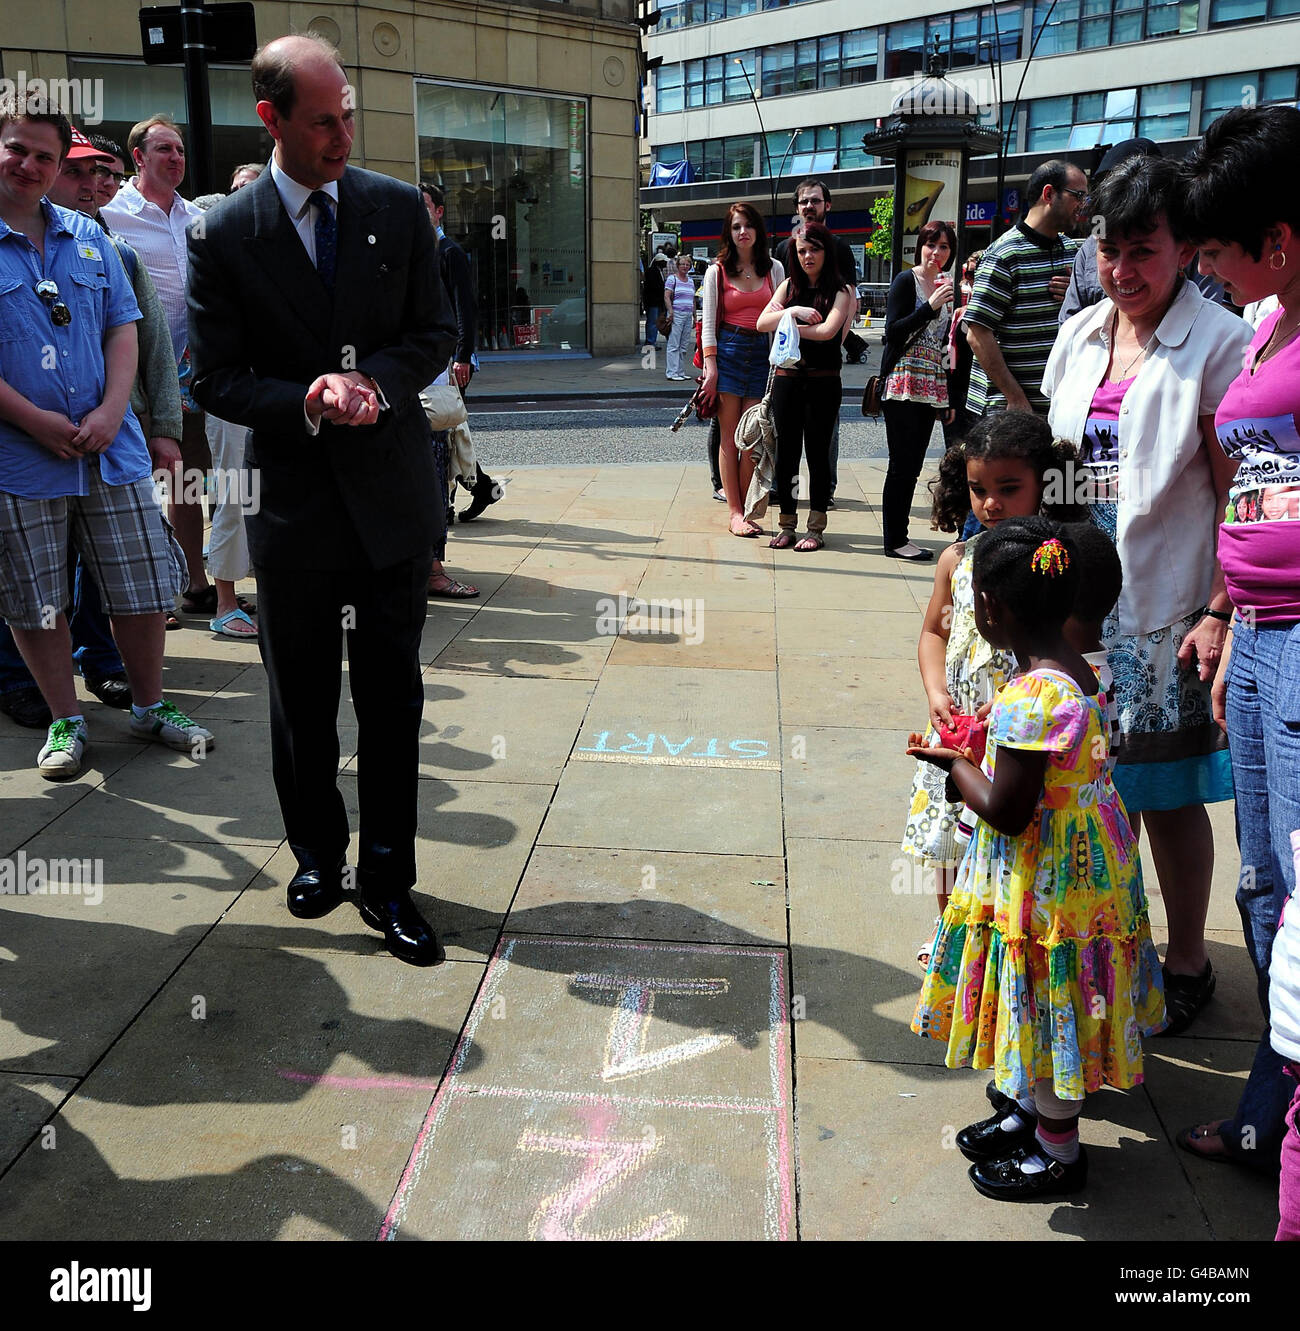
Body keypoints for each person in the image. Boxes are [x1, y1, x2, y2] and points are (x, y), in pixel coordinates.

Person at [187, 33, 456, 966]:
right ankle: (318, 855)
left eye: (349, 114)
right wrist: (305, 395)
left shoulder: (393, 210)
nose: (342, 133)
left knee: (390, 702)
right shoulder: (226, 233)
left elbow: (435, 332)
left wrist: (373, 381)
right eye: (322, 120)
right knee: (300, 702)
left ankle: (387, 878)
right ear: (271, 120)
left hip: (388, 508)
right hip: (294, 512)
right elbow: (211, 377)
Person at [1044, 153, 1253, 1038]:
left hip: (1166, 613)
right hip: (1078, 612)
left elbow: (1238, 494)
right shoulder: (1083, 332)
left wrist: (1218, 609)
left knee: (1166, 795)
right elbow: (1052, 469)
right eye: (1109, 250)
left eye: (1144, 250)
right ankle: (1113, 950)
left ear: (1186, 252)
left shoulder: (1218, 344)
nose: (1124, 270)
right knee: (1091, 795)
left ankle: (1189, 959)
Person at [909, 517, 1165, 1200]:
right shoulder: (1080, 670)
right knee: (1054, 997)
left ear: (993, 609)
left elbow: (1006, 808)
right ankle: (1027, 1109)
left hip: (1046, 881)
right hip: (1088, 867)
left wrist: (954, 762)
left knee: (1047, 997)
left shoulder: (1031, 696)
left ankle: (1057, 1151)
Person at [1166, 103, 1300, 1169]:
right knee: (1262, 881)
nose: (1205, 270)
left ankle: (1281, 1117)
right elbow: (1250, 482)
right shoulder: (1263, 324)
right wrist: (1221, 612)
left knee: (1299, 888)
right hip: (1254, 638)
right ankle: (1273, 1094)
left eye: (1213, 249)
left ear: (1280, 240)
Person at [0, 108, 212, 779]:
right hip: (21, 454)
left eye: (43, 156)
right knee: (35, 595)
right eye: (15, 150)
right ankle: (67, 717)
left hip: (109, 447)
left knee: (143, 584)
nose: (29, 166)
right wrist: (35, 420)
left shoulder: (92, 238)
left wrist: (118, 410)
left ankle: (151, 706)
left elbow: (126, 327)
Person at [904, 412, 1081, 964]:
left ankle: (1007, 945)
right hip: (960, 732)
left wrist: (1008, 704)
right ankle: (951, 942)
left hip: (1019, 737)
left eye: (1009, 489)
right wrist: (937, 694)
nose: (991, 504)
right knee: (948, 842)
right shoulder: (957, 559)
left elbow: (1073, 650)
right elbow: (934, 630)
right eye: (979, 489)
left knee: (1006, 838)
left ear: (1045, 483)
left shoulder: (1054, 563)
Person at [100, 115, 213, 626]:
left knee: (186, 481)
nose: (176, 158)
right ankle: (148, 598)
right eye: (164, 149)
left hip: (190, 374)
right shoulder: (112, 213)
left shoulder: (196, 216)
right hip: (131, 373)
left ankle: (193, 581)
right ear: (139, 156)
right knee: (134, 486)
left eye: (181, 150)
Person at [755, 221, 854, 552]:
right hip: (788, 381)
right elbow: (760, 323)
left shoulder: (841, 290)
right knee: (787, 454)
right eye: (801, 251)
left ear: (827, 251)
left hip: (824, 381)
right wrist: (794, 312)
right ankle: (786, 523)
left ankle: (816, 526)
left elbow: (828, 331)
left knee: (818, 452)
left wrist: (788, 326)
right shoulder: (787, 288)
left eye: (814, 249)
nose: (808, 256)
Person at [963, 160, 1087, 419]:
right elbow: (977, 335)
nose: (1083, 205)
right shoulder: (1004, 255)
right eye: (1078, 196)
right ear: (1049, 194)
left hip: (1057, 408)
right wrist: (1015, 398)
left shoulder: (1073, 252)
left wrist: (1076, 300)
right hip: (1009, 412)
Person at [773, 177, 862, 501]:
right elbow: (775, 305)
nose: (809, 206)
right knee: (786, 434)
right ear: (796, 208)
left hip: (824, 363)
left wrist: (835, 338)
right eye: (804, 202)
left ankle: (825, 492)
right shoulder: (784, 248)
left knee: (823, 434)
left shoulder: (839, 247)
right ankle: (784, 494)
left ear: (828, 205)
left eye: (815, 200)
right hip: (788, 360)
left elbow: (851, 300)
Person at [701, 203, 785, 537]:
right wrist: (710, 368)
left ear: (758, 231)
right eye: (736, 227)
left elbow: (780, 318)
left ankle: (748, 510)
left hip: (761, 355)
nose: (742, 232)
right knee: (728, 438)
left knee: (752, 439)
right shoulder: (716, 271)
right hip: (729, 353)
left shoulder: (774, 269)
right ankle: (735, 512)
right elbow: (707, 323)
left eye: (748, 226)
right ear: (729, 232)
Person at [419, 181, 499, 524]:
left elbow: (465, 307)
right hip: (427, 357)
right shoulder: (416, 251)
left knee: (445, 425)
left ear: (439, 211)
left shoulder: (449, 252)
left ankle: (450, 501)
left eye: (425, 205)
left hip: (451, 360)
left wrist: (464, 355)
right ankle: (480, 487)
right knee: (444, 426)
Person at [880, 219, 957, 561]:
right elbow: (892, 331)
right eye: (930, 245)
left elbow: (948, 346)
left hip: (932, 385)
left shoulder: (947, 286)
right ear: (920, 247)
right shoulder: (906, 280)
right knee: (901, 464)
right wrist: (929, 307)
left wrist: (950, 394)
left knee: (913, 465)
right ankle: (895, 539)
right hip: (903, 381)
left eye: (943, 247)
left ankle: (900, 538)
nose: (936, 253)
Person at [662, 251, 695, 382]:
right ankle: (672, 372)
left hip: (687, 315)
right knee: (674, 344)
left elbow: (692, 300)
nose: (685, 266)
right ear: (677, 265)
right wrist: (671, 311)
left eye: (687, 264)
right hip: (677, 314)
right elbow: (666, 296)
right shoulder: (672, 279)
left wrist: (694, 315)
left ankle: (680, 371)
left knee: (683, 345)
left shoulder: (691, 281)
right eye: (682, 264)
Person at [642, 251, 666, 350]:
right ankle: (650, 342)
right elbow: (654, 287)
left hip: (656, 301)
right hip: (653, 302)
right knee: (652, 322)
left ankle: (652, 341)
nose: (666, 264)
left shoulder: (657, 270)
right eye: (664, 262)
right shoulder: (652, 271)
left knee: (654, 322)